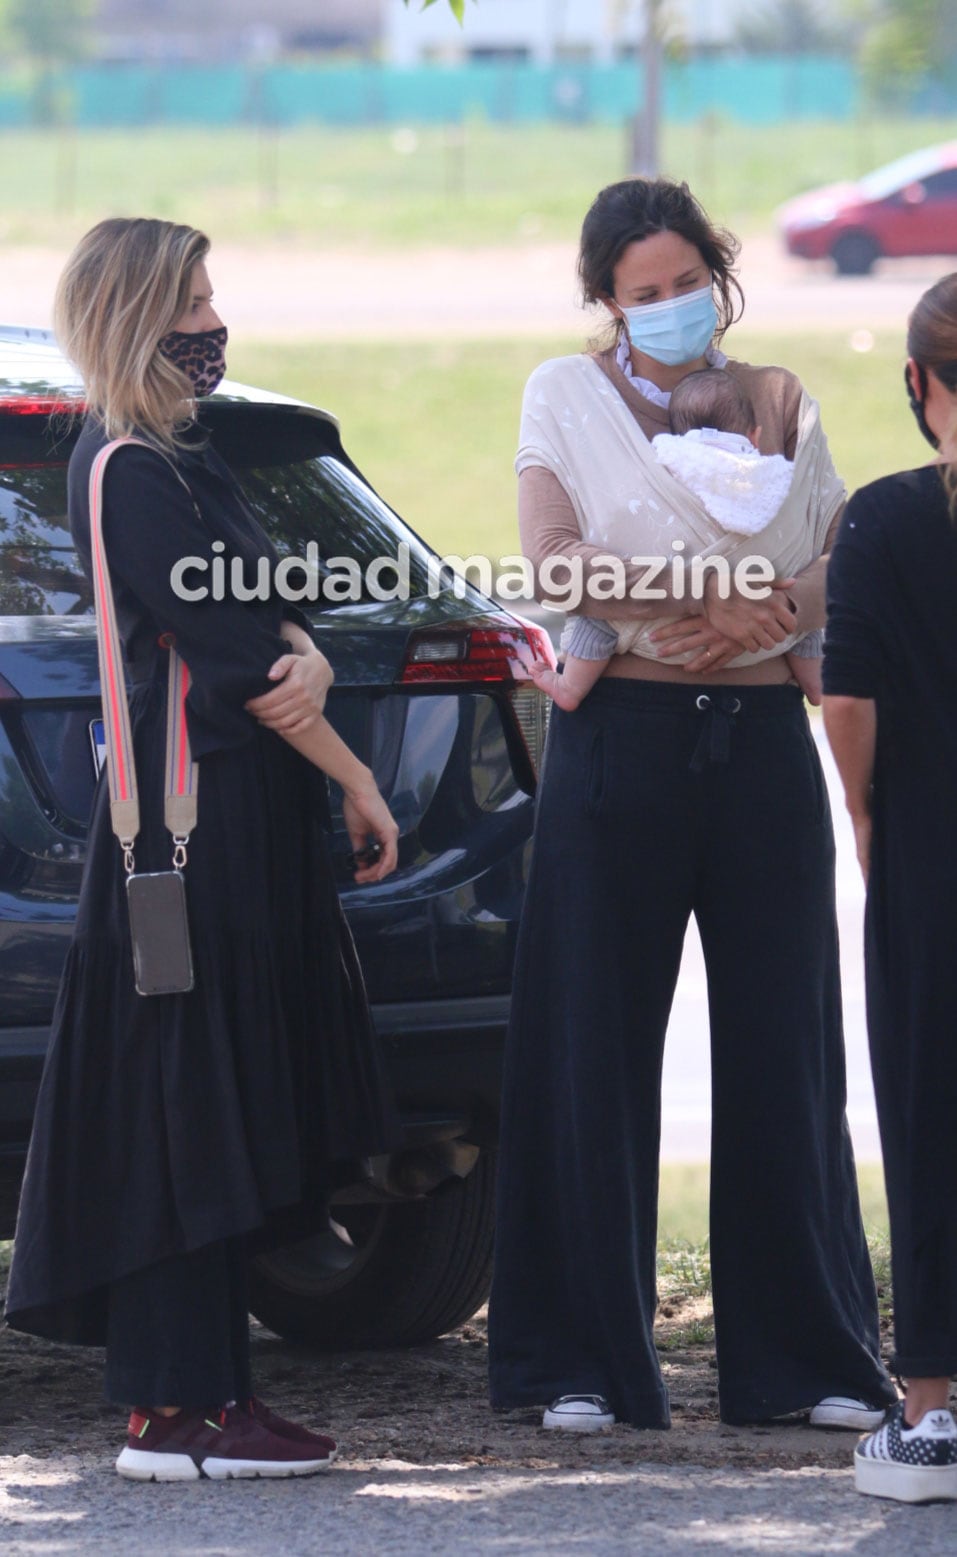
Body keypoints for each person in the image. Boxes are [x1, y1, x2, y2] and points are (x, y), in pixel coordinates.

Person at [487, 177, 896, 1434]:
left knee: (789, 1050)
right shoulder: (564, 394)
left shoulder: (778, 396)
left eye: (686, 287)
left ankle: (807, 1361)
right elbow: (554, 566)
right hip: (622, 749)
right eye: (641, 294)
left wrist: (769, 609)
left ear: (718, 279)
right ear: (606, 303)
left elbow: (833, 554)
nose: (669, 312)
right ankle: (577, 1363)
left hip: (763, 747)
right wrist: (716, 597)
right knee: (590, 1048)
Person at [4, 218, 401, 1482]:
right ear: (139, 316)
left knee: (217, 1107)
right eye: (194, 302)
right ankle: (174, 1411)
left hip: (239, 835)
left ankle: (205, 1402)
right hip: (190, 839)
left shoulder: (182, 463)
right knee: (186, 1114)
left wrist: (317, 660)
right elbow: (252, 669)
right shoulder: (129, 473)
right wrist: (360, 781)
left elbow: (279, 621)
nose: (213, 324)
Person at [823, 274, 957, 1503]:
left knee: (931, 1119)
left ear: (918, 385)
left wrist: (866, 812)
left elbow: (848, 701)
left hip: (931, 850)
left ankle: (931, 1416)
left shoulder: (885, 520)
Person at [526, 368, 823, 711]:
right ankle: (816, 683)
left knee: (597, 616)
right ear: (754, 436)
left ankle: (569, 688)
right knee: (808, 627)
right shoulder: (770, 472)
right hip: (764, 603)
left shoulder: (665, 458)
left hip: (657, 613)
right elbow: (807, 526)